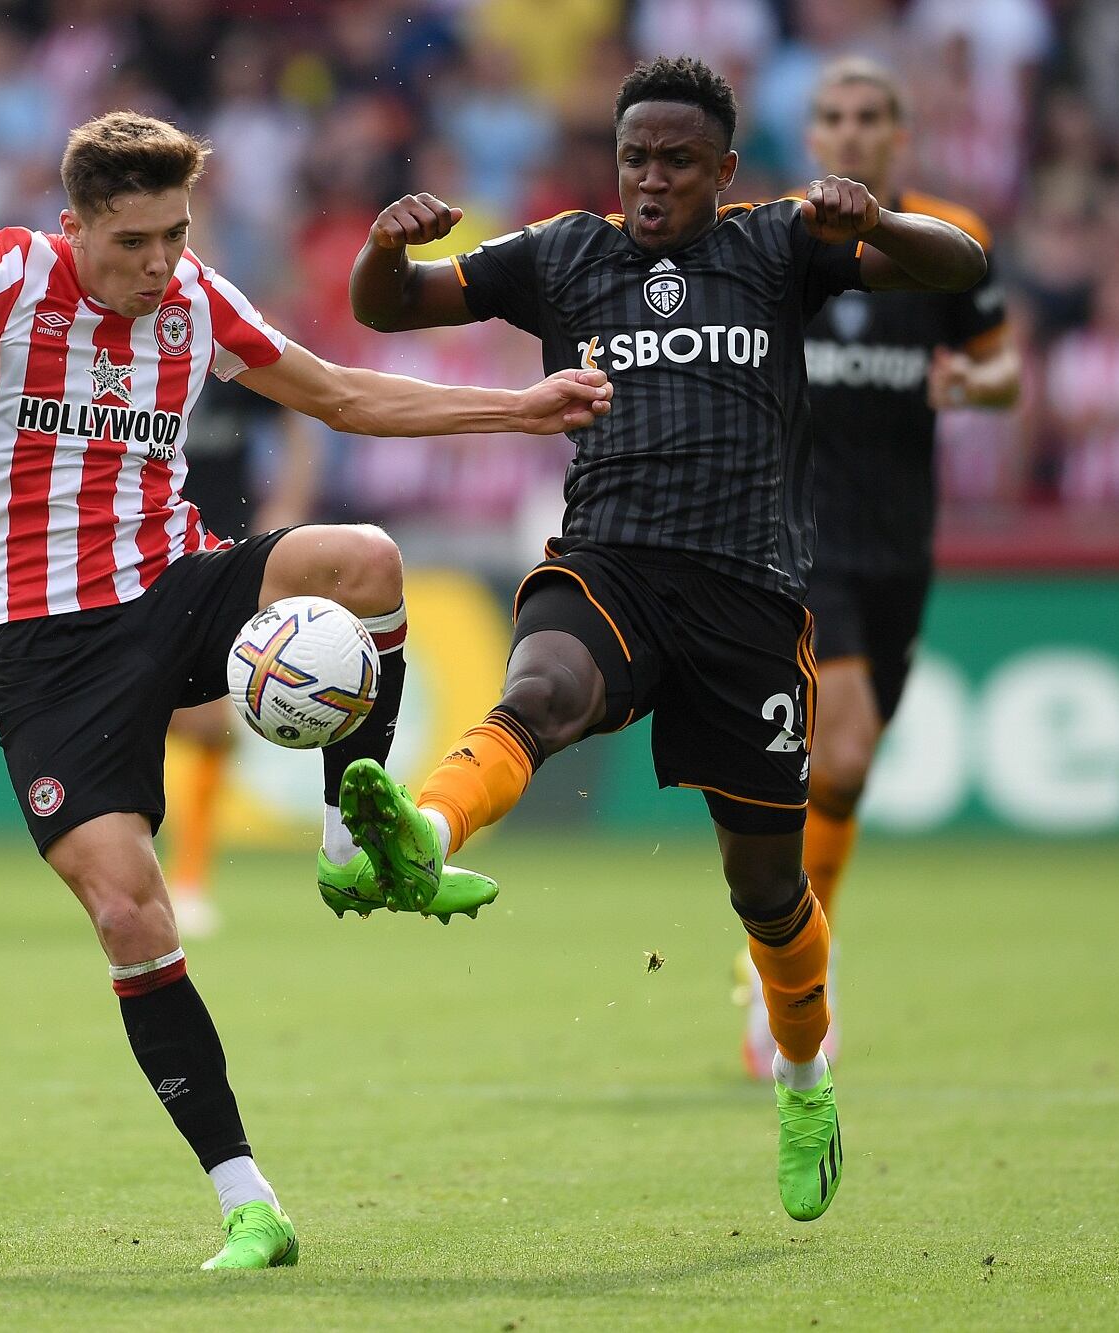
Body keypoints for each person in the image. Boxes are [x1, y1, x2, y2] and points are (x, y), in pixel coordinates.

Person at [0, 111, 611, 1270]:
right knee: (130, 917)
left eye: (175, 235)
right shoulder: (9, 276)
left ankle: (352, 840)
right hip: (42, 648)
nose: (158, 264)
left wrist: (517, 408)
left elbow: (338, 396)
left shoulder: (196, 298)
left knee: (364, 561)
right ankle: (248, 1201)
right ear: (75, 226)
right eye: (133, 241)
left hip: (171, 586)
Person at [339, 56, 986, 1223]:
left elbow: (960, 265)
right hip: (610, 565)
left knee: (766, 888)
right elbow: (386, 308)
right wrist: (385, 246)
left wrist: (874, 219)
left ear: (723, 169)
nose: (649, 179)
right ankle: (420, 834)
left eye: (676, 161)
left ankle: (802, 1075)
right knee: (539, 689)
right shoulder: (561, 254)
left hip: (747, 598)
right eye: (633, 157)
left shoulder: (777, 244)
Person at [739, 57, 1019, 1077]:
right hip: (796, 538)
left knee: (844, 772)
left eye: (869, 117)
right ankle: (791, 976)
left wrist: (975, 387)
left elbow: (1002, 364)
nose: (850, 132)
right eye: (833, 116)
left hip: (900, 545)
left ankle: (790, 938)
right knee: (844, 755)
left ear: (899, 135)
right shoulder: (776, 238)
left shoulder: (946, 239)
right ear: (811, 134)